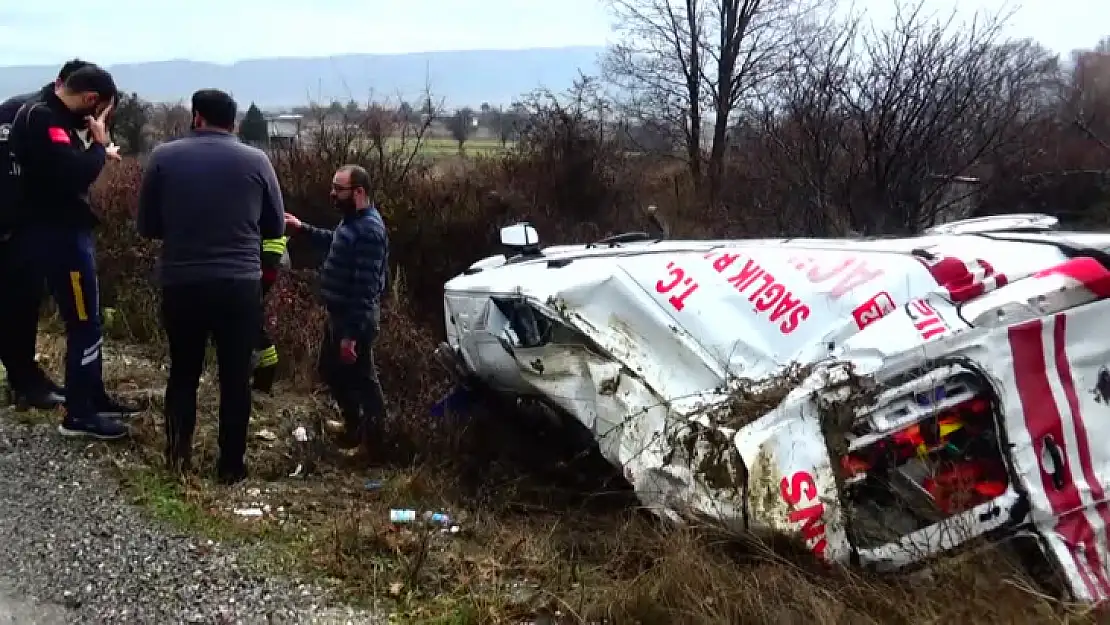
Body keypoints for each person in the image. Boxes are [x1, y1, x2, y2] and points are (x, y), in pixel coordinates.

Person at [136, 88, 285, 484]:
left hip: (182, 281)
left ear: (197, 116)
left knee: (184, 371)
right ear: (233, 122)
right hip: (238, 285)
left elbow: (147, 227)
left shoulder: (163, 158)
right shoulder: (257, 161)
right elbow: (275, 226)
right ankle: (231, 466)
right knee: (236, 377)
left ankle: (177, 457)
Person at [7, 64, 137, 440]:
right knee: (83, 322)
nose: (99, 119)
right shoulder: (43, 119)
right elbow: (74, 173)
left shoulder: (49, 115)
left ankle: (92, 394)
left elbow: (66, 165)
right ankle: (79, 414)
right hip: (59, 237)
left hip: (63, 232)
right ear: (91, 100)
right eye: (101, 111)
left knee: (89, 320)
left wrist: (91, 145)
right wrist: (99, 145)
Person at [0, 58, 91, 410]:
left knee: (23, 303)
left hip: (26, 224)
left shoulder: (38, 111)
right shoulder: (32, 115)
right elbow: (61, 173)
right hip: (16, 225)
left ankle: (24, 377)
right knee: (18, 304)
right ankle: (25, 381)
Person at [283, 165, 389, 454]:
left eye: (338, 189)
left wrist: (351, 336)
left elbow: (365, 289)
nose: (332, 194)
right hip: (339, 315)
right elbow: (335, 242)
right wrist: (302, 229)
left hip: (355, 320)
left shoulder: (370, 231)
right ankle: (353, 425)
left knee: (363, 380)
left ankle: (373, 444)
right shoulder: (352, 222)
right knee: (330, 370)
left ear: (358, 192)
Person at [252, 234, 289, 394]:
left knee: (251, 321)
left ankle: (264, 377)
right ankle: (262, 377)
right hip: (264, 265)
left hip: (263, 265)